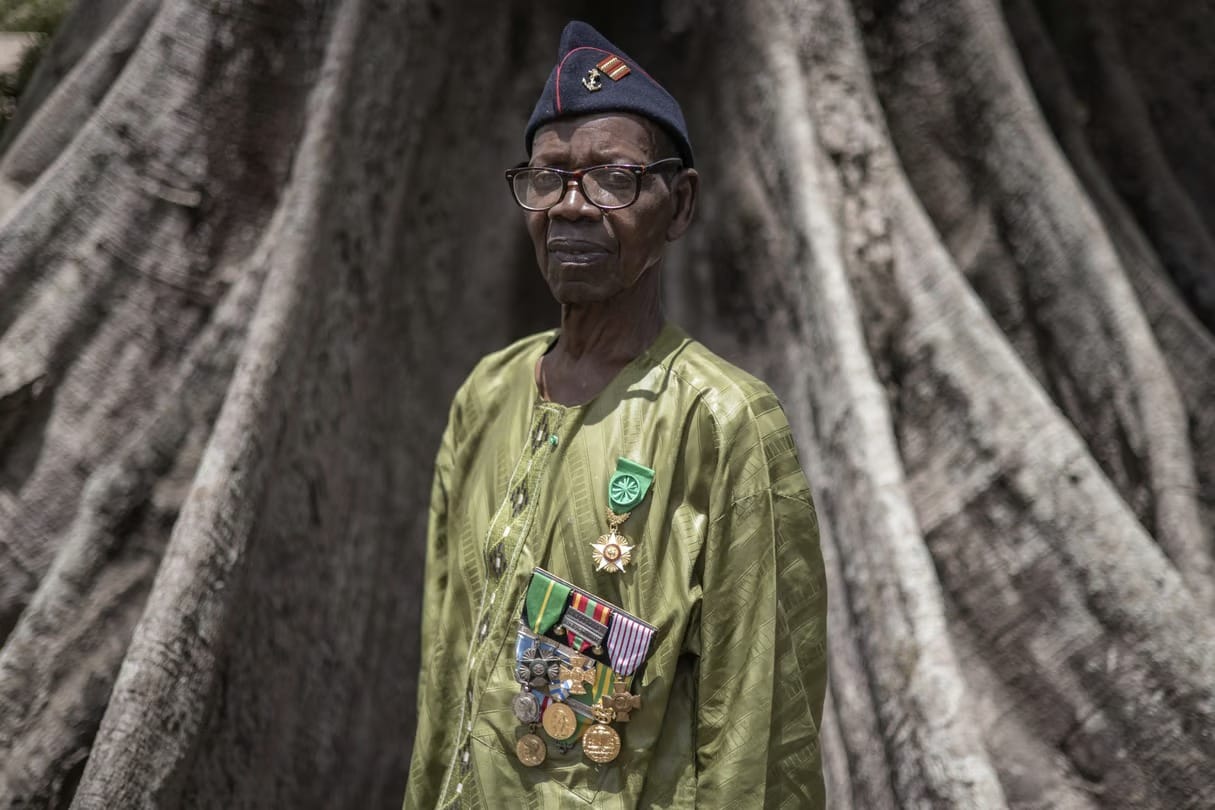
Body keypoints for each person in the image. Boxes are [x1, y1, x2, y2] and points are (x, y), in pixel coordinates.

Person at [404, 20, 828, 810]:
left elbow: (758, 727)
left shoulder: (721, 420)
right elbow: (444, 670)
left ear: (679, 204)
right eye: (548, 178)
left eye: (612, 179)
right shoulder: (487, 395)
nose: (571, 206)